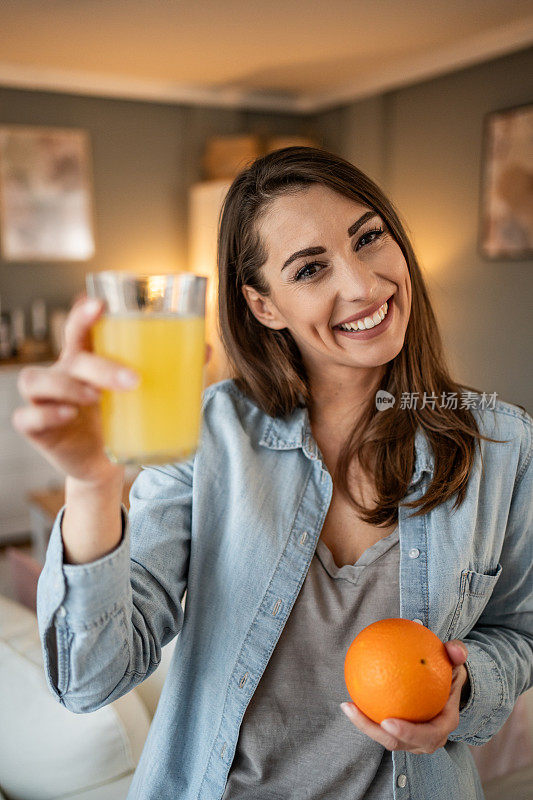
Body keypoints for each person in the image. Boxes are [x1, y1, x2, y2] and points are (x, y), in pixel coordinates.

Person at [13, 146, 532, 800]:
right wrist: (92, 482)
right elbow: (91, 679)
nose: (364, 285)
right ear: (264, 306)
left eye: (369, 238)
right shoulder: (207, 436)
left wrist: (463, 686)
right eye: (310, 268)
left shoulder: (502, 444)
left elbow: (519, 631)